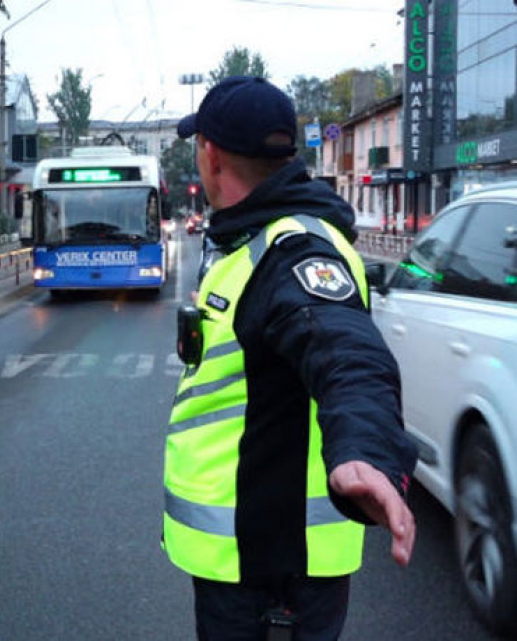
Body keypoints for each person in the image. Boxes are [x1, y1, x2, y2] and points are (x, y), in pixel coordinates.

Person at [163, 76, 418, 641]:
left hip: (272, 574)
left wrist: (366, 448)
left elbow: (346, 351)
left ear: (211, 154)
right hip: (254, 557)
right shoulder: (257, 241)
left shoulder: (294, 250)